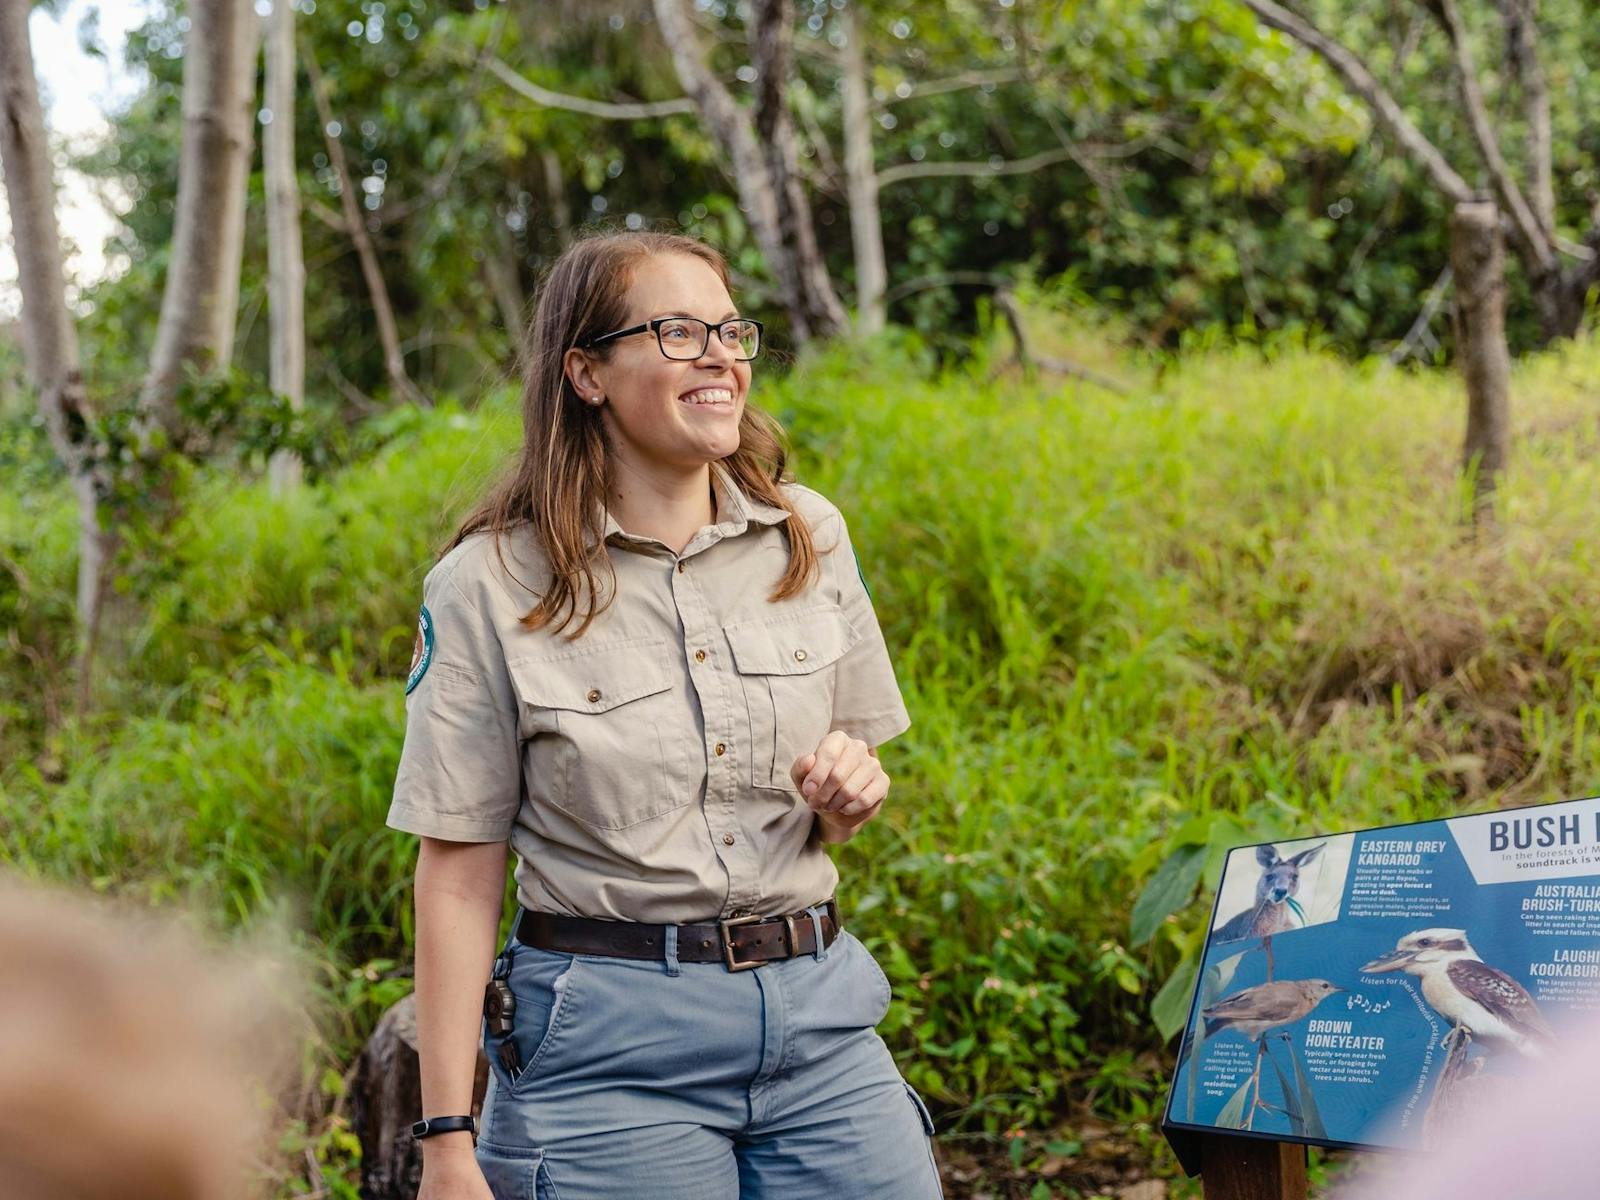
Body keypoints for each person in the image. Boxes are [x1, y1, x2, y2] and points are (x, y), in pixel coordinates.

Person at [386, 228, 941, 1200]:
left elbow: (834, 805)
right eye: (678, 332)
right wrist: (446, 1143)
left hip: (819, 1022)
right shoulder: (488, 583)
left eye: (730, 331)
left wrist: (847, 796)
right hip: (609, 1053)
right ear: (586, 373)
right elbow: (459, 875)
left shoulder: (807, 535)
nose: (720, 355)